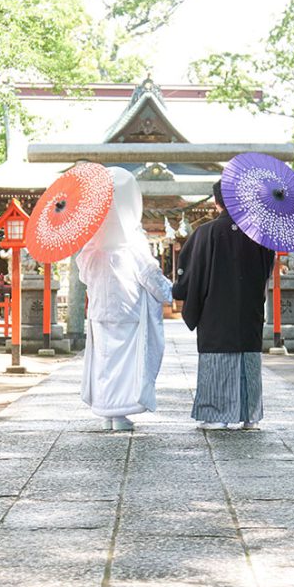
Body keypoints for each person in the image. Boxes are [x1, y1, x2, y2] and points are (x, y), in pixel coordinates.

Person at [173, 180, 274, 430]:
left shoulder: (206, 233)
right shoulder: (259, 234)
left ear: (217, 202)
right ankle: (250, 416)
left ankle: (217, 415)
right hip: (248, 310)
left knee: (218, 358)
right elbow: (266, 271)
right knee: (248, 359)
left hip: (215, 312)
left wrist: (180, 289)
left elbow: (190, 273)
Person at [77, 167, 173, 431]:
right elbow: (149, 273)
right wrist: (170, 292)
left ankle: (107, 412)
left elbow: (85, 275)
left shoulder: (92, 240)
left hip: (100, 308)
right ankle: (119, 413)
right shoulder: (132, 238)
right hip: (127, 307)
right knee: (124, 362)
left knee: (105, 359)